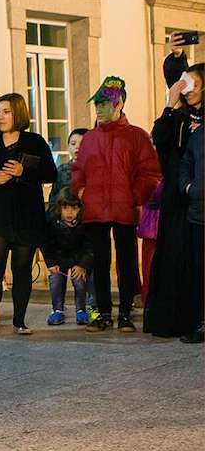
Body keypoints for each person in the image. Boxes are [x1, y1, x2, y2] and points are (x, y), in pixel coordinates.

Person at [71, 76, 161, 333]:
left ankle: (125, 312)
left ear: (119, 104)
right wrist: (80, 191)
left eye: (104, 104)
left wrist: (135, 197)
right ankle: (102, 314)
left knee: (127, 260)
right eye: (97, 104)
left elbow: (149, 172)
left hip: (124, 207)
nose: (99, 109)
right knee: (99, 262)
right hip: (96, 208)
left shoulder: (136, 136)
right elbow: (79, 168)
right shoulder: (90, 138)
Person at [0, 93, 57, 334]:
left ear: (18, 113)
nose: (0, 117)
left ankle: (20, 321)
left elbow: (50, 174)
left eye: (6, 112)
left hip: (26, 215)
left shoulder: (35, 141)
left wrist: (24, 171)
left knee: (22, 268)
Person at [144, 63, 203, 338]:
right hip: (178, 201)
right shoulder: (178, 118)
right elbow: (160, 138)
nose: (188, 90)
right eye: (184, 84)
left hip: (197, 200)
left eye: (193, 84)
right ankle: (178, 320)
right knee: (176, 257)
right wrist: (170, 103)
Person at [43, 188, 93, 326]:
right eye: (66, 208)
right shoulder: (53, 224)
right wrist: (51, 263)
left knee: (79, 279)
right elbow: (47, 245)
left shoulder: (84, 225)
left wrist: (82, 265)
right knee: (56, 278)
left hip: (78, 260)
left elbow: (89, 246)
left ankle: (81, 309)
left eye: (74, 208)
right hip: (59, 260)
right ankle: (57, 310)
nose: (70, 212)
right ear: (60, 208)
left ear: (80, 209)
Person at [177, 125, 203, 343]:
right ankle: (202, 323)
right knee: (200, 273)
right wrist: (188, 187)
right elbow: (186, 164)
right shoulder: (198, 135)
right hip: (199, 214)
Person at [47, 128, 88, 208]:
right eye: (73, 144)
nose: (77, 147)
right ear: (68, 147)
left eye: (83, 144)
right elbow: (53, 199)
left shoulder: (97, 170)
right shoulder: (62, 170)